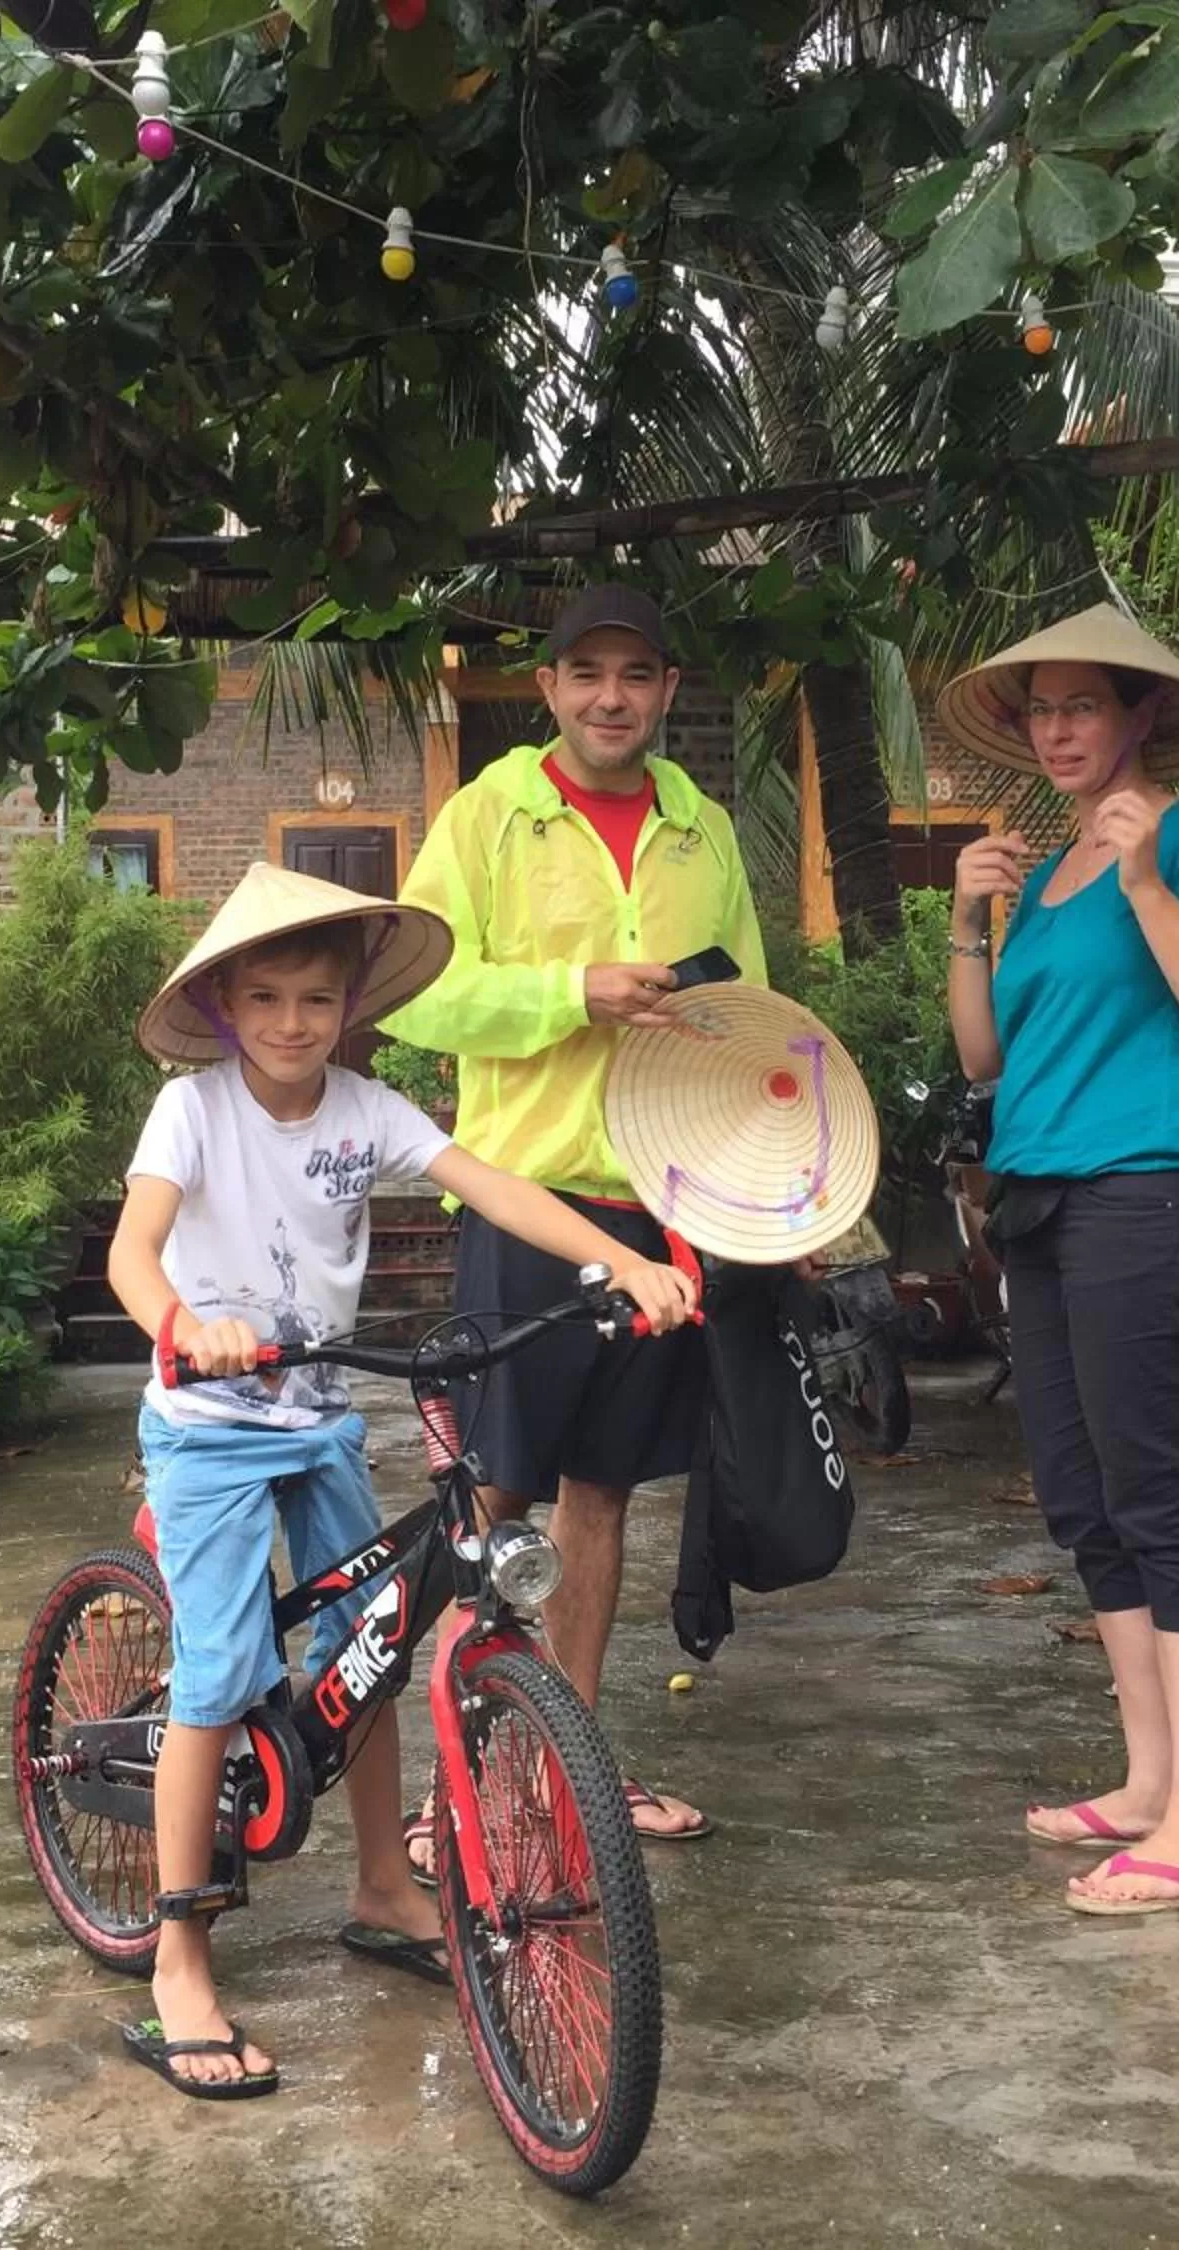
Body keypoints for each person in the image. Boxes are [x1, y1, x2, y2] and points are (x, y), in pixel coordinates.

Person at [106, 861, 696, 2099]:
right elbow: (132, 1249)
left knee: (368, 1644)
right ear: (223, 1007)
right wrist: (179, 1324)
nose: (288, 1023)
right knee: (218, 1673)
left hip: (319, 1417)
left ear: (351, 1006)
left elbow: (497, 1187)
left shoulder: (368, 1110)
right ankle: (178, 1962)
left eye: (314, 999)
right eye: (261, 998)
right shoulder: (195, 1114)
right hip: (211, 1423)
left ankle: (383, 1885)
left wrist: (619, 1263)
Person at [385, 582, 766, 1852]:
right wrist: (569, 992)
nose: (614, 696)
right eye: (587, 673)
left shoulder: (705, 831)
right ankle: (457, 1790)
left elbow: (754, 1025)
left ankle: (569, 1773)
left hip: (665, 1210)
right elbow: (413, 995)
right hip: (528, 1202)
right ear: (547, 690)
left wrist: (775, 1190)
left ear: (666, 691)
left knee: (604, 1498)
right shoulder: (489, 816)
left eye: (639, 673)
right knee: (496, 1498)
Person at [937, 603, 1179, 1918]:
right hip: (1045, 1206)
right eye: (1042, 707)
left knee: (1160, 1494)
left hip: (1155, 1198)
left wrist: (1149, 884)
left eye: (1086, 703)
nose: (1060, 727)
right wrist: (973, 922)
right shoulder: (1053, 865)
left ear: (1144, 714)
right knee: (1087, 1500)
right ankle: (1151, 1783)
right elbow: (987, 1059)